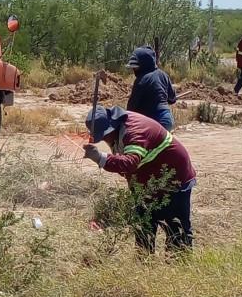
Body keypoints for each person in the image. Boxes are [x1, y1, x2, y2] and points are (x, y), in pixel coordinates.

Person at [83, 106, 196, 254]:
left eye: (104, 135)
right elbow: (127, 167)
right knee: (144, 228)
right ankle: (144, 262)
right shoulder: (119, 129)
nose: (103, 139)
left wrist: (101, 158)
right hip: (148, 181)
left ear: (112, 127)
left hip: (174, 179)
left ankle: (179, 263)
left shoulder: (135, 132)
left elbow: (130, 163)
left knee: (176, 231)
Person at [126, 46, 177, 131]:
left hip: (153, 122)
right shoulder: (163, 75)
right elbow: (172, 99)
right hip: (168, 119)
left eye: (135, 67)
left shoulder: (141, 80)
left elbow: (131, 107)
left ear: (143, 65)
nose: (134, 70)